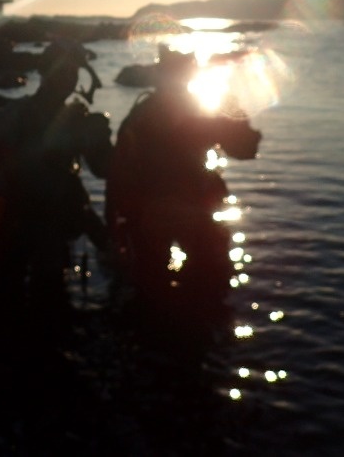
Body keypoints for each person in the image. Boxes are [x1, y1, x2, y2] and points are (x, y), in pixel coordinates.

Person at [0, 37, 114, 440]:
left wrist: (101, 139)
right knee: (21, 304)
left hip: (40, 226)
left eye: (72, 73)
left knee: (36, 303)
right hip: (23, 225)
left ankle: (26, 386)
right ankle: (31, 385)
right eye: (62, 72)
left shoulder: (67, 120)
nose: (67, 80)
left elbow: (103, 168)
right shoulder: (21, 116)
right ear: (46, 74)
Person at [106, 45, 261, 333]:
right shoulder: (200, 113)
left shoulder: (144, 114)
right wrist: (235, 114)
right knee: (203, 291)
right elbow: (246, 148)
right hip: (180, 212)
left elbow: (117, 174)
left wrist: (112, 225)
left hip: (160, 214)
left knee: (156, 292)